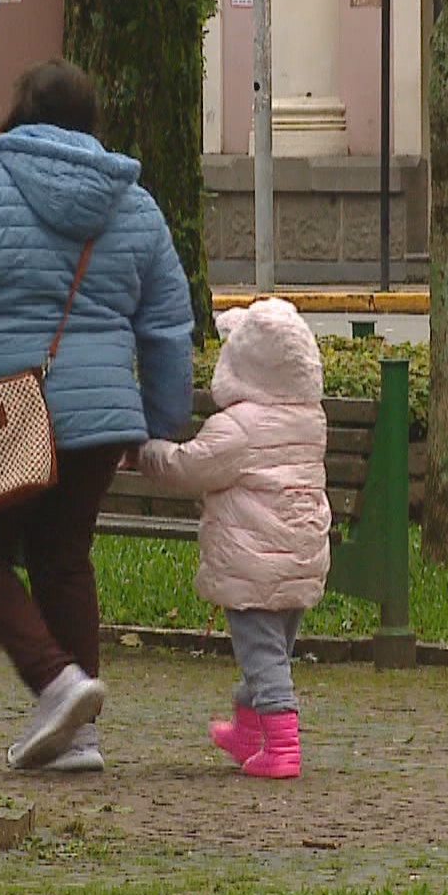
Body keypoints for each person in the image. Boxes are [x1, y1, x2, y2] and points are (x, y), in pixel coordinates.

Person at [0, 59, 195, 772]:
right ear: (91, 121)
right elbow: (169, 326)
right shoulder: (134, 203)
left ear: (18, 113)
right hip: (97, 419)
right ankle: (78, 737)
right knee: (63, 560)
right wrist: (157, 421)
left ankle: (57, 682)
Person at [136, 298, 331, 780]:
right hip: (302, 555)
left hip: (254, 560)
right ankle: (248, 732)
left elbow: (188, 466)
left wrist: (146, 451)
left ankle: (283, 746)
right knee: (270, 650)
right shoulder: (310, 420)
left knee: (261, 655)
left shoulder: (237, 428)